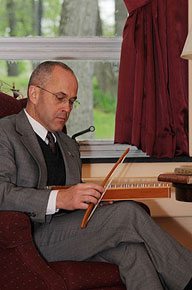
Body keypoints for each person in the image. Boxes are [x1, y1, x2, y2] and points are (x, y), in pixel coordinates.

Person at [0, 60, 192, 290]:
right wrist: (60, 199)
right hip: (31, 238)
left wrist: (91, 202)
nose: (67, 108)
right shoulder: (6, 131)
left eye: (71, 101)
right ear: (34, 93)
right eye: (60, 98)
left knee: (133, 251)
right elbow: (2, 192)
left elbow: (71, 193)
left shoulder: (68, 145)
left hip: (72, 231)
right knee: (128, 214)